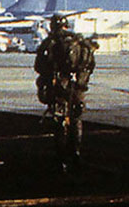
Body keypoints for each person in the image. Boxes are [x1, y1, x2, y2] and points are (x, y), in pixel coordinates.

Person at [34, 13, 98, 172]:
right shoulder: (80, 41)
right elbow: (90, 64)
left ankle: (62, 159)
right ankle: (75, 152)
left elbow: (39, 66)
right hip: (78, 88)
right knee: (76, 119)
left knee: (60, 121)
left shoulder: (50, 42)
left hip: (59, 87)